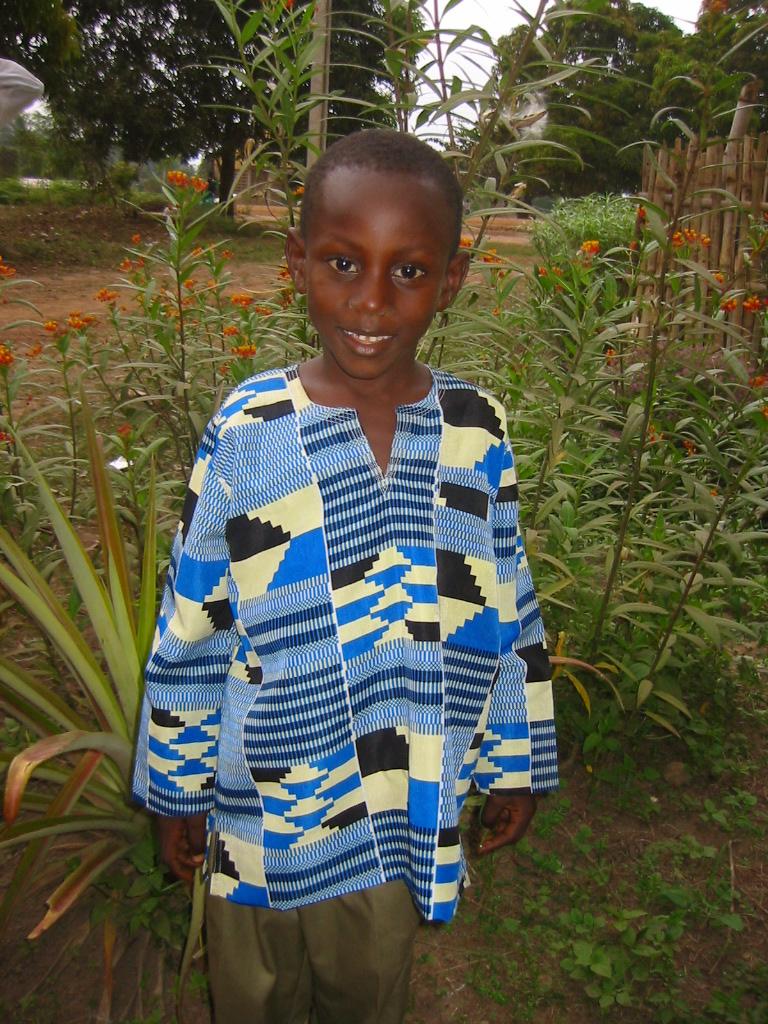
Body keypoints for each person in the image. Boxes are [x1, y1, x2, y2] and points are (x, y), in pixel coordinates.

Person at [132, 129, 558, 1024]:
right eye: (341, 262)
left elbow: (510, 608)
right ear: (297, 263)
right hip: (261, 821)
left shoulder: (475, 432)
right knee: (255, 999)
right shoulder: (249, 430)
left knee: (369, 992)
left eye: (409, 271)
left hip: (393, 825)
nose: (370, 300)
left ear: (451, 279)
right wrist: (176, 786)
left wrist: (515, 763)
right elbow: (194, 622)